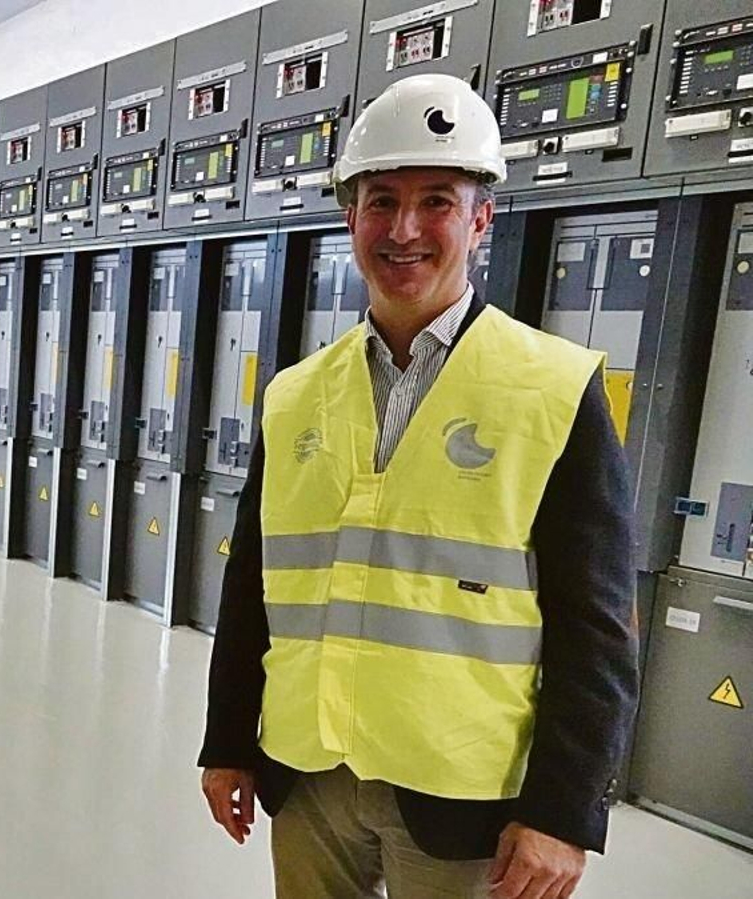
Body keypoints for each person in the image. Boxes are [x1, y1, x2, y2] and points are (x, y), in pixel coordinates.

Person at [198, 74, 639, 899]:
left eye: (436, 201)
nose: (404, 229)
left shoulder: (552, 387)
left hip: (464, 792)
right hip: (307, 771)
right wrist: (227, 740)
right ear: (350, 219)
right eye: (381, 202)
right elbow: (251, 584)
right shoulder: (295, 395)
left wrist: (565, 810)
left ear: (480, 220)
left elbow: (599, 624)